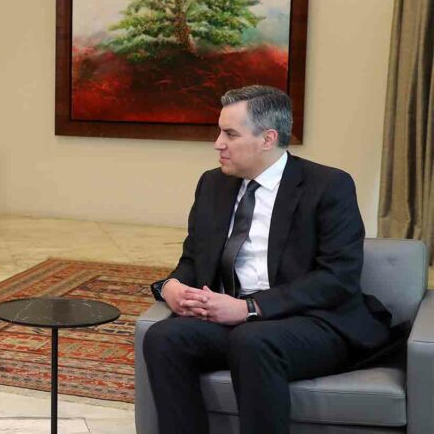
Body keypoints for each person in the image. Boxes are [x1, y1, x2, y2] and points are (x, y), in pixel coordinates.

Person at [144, 85, 391, 434]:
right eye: (219, 132)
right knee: (164, 337)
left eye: (230, 134)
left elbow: (338, 277)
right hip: (234, 321)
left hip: (311, 321)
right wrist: (170, 286)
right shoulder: (212, 184)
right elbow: (194, 258)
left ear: (267, 139)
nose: (218, 143)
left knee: (252, 341)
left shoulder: (328, 185)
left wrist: (249, 309)